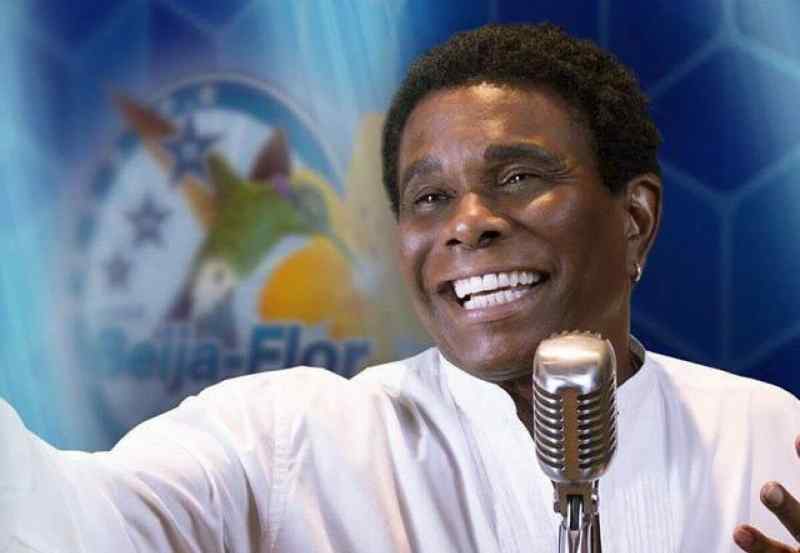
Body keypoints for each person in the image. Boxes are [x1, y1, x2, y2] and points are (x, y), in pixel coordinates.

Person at [2, 22, 799, 553]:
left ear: (635, 218)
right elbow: (72, 524)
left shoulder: (770, 436)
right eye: (430, 197)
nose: (468, 223)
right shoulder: (288, 443)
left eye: (519, 177)